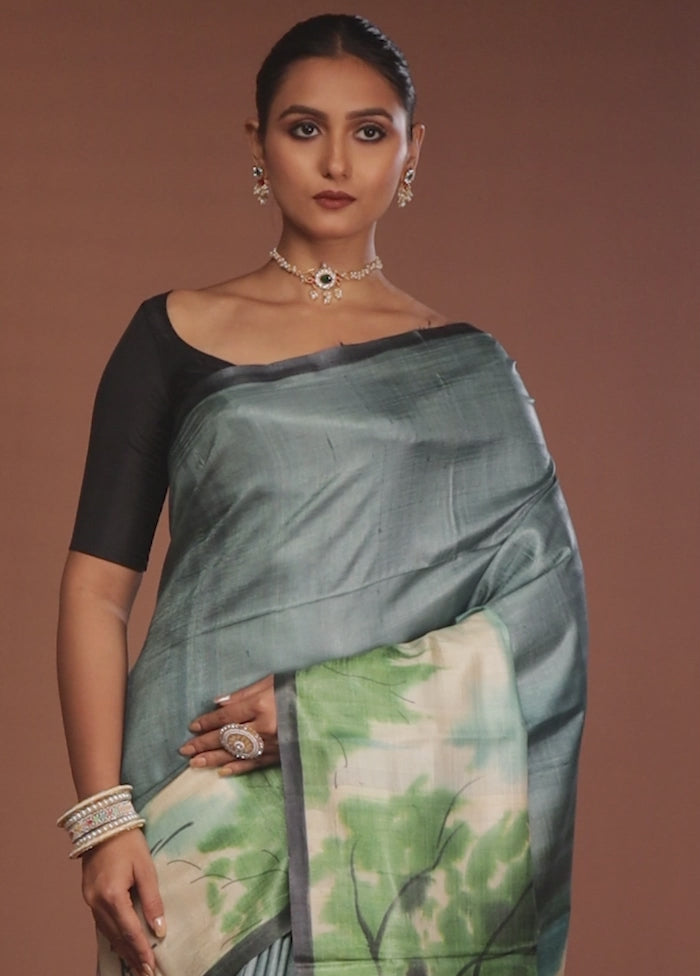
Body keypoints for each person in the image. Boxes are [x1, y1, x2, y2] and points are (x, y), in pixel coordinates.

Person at [57, 14, 587, 976]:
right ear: (258, 144)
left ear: (412, 151)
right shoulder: (170, 335)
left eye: (370, 131)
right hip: (193, 800)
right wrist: (104, 818)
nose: (337, 161)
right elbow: (96, 591)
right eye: (304, 128)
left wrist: (315, 712)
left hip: (392, 829)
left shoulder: (471, 371)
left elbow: (541, 618)